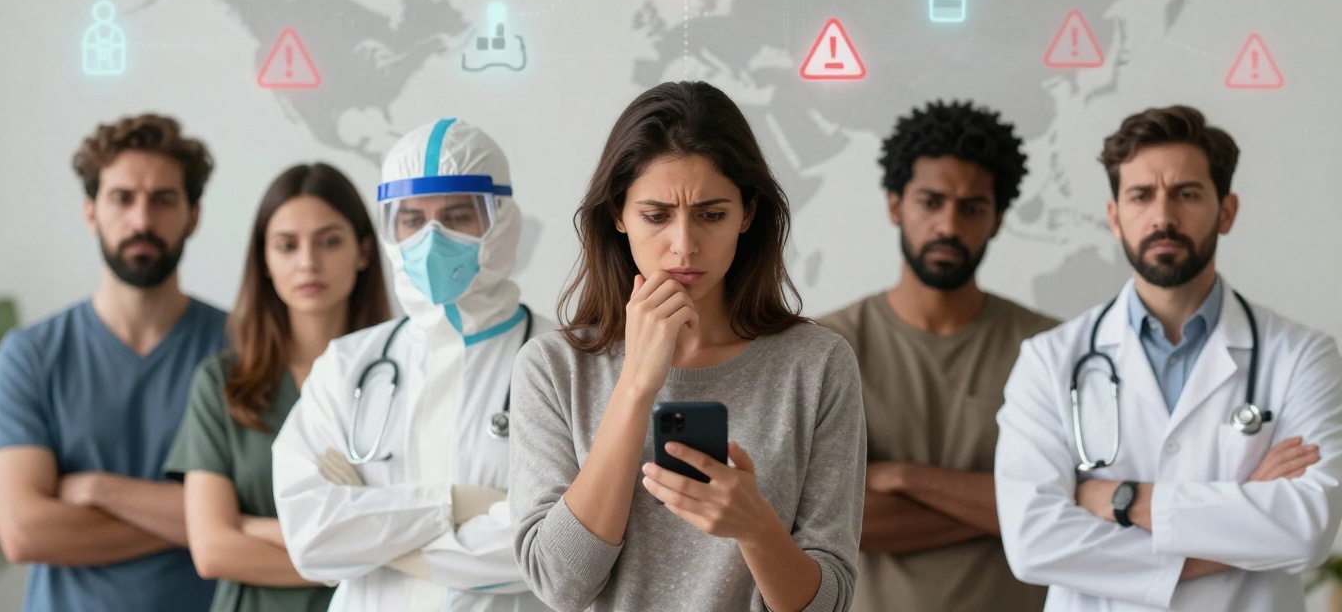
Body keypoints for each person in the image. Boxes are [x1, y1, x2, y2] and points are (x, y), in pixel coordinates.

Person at [510, 80, 866, 612]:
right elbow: (559, 584)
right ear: (618, 215)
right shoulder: (553, 368)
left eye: (711, 214)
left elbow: (829, 601)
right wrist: (635, 385)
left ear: (748, 213)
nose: (684, 245)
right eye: (656, 217)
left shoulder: (817, 364)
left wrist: (756, 527)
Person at [995, 105, 1342, 610]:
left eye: (1187, 193)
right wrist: (1240, 522)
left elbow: (1306, 527)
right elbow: (1033, 542)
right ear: (1115, 218)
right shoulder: (1049, 361)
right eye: (1141, 195)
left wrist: (1122, 500)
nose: (1163, 216)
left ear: (1226, 211)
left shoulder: (1301, 356)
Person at [272, 118, 553, 612]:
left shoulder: (563, 361)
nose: (431, 238)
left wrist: (372, 534)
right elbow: (311, 535)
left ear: (502, 218)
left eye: (458, 216)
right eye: (411, 219)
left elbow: (557, 546)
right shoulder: (347, 365)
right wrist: (463, 505)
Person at [819, 100, 1056, 612]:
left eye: (972, 208)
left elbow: (1070, 513)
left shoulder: (1049, 349)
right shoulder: (825, 348)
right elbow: (825, 523)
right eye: (931, 202)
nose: (949, 226)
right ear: (894, 205)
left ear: (996, 220)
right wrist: (1012, 507)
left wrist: (902, 477)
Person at [0, 114, 226, 611]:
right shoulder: (30, 355)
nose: (142, 221)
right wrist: (204, 523)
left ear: (193, 216)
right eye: (122, 198)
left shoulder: (241, 350)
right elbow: (22, 532)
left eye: (164, 200)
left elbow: (266, 513)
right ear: (91, 213)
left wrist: (98, 489)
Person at [163, 163, 392, 612]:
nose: (308, 262)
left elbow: (424, 532)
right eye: (287, 245)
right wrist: (364, 553)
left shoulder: (405, 376)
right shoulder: (223, 383)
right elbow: (212, 550)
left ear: (363, 251)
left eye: (329, 241)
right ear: (264, 260)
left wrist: (252, 527)